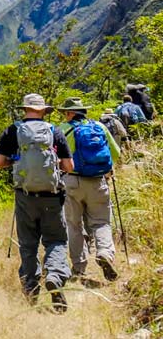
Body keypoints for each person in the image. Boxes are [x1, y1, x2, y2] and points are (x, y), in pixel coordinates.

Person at [0, 93, 73, 312]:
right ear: (42, 111)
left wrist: (15, 161)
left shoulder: (13, 130)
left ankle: (30, 289)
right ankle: (55, 277)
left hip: (25, 195)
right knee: (56, 240)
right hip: (52, 196)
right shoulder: (53, 131)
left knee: (28, 244)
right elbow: (69, 166)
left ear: (25, 109)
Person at [57, 97, 120, 283]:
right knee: (101, 222)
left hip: (72, 181)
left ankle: (78, 267)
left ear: (70, 113)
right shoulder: (100, 127)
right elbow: (116, 153)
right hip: (97, 181)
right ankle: (104, 253)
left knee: (74, 224)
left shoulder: (63, 130)